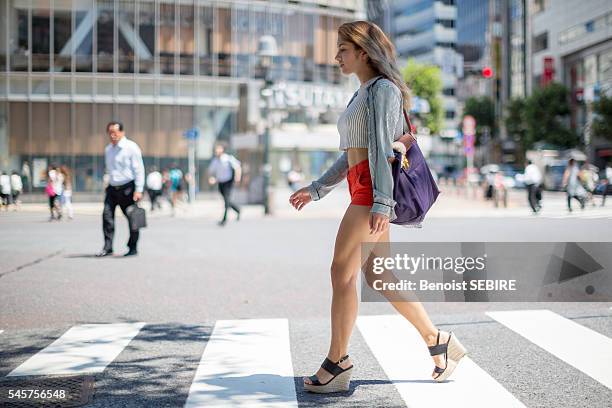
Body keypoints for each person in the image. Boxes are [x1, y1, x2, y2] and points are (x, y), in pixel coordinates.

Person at [289, 21, 466, 393]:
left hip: (371, 193)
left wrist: (383, 203)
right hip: (363, 189)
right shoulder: (362, 92)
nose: (336, 56)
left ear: (363, 52)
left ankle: (337, 363)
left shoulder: (382, 90)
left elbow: (383, 153)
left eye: (342, 49)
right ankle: (440, 342)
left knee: (341, 273)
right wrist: (317, 188)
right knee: (381, 278)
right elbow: (353, 154)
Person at [96, 121, 145, 257]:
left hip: (128, 188)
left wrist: (139, 189)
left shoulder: (131, 147)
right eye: (110, 133)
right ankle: (108, 247)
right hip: (112, 188)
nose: (112, 135)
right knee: (107, 216)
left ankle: (132, 247)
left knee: (132, 218)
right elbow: (109, 169)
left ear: (122, 132)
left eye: (115, 132)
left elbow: (139, 169)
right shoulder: (108, 150)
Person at [207, 142, 241, 226]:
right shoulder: (215, 161)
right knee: (227, 200)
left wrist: (237, 177)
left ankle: (224, 219)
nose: (217, 151)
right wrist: (211, 178)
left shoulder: (228, 158)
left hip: (228, 182)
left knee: (226, 200)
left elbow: (237, 167)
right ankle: (237, 210)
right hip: (220, 183)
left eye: (218, 149)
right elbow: (210, 171)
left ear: (222, 150)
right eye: (216, 149)